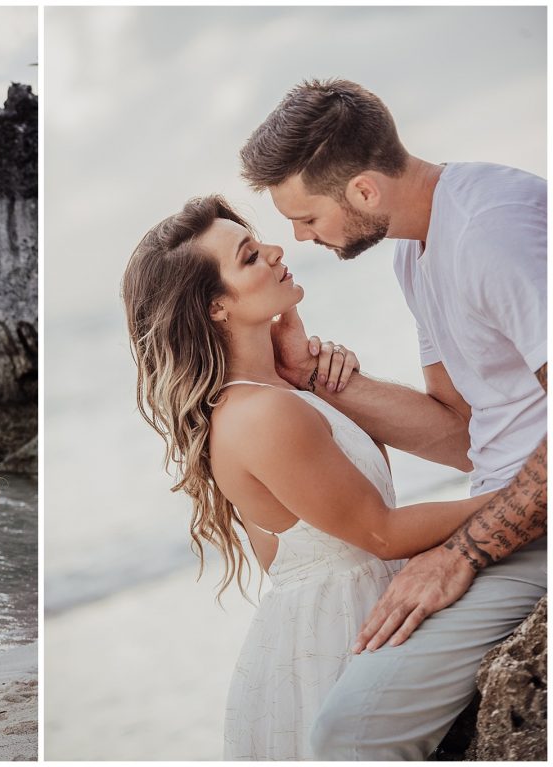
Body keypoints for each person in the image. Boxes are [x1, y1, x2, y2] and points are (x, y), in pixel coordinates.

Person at [122, 194, 497, 759]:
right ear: (216, 308)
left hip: (340, 619)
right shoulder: (261, 414)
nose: (275, 250)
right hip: (340, 637)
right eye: (249, 256)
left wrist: (320, 380)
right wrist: (522, 495)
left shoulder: (276, 395)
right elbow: (383, 531)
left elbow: (304, 544)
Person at [239, 78, 546, 759]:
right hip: (511, 513)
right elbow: (464, 430)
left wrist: (464, 552)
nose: (295, 237)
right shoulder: (416, 247)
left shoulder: (492, 229)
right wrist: (312, 377)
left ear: (365, 192)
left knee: (350, 731)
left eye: (307, 217)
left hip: (534, 528)